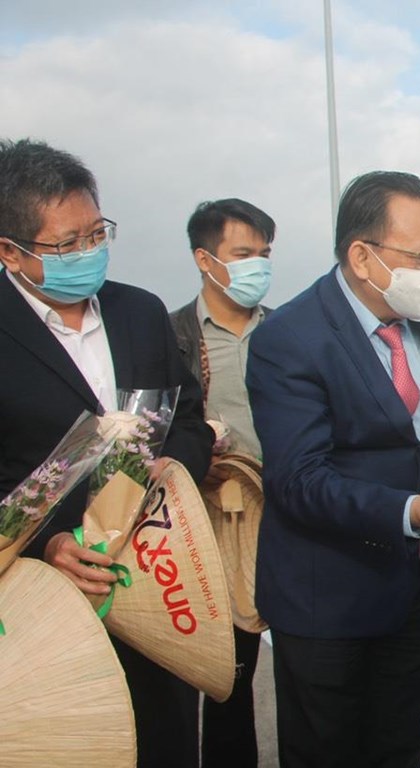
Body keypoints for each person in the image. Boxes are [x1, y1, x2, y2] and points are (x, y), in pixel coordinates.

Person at [245, 171, 420, 768]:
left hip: (411, 588)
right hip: (328, 596)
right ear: (362, 257)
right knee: (327, 753)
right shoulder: (290, 339)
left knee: (399, 746)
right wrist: (408, 511)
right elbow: (298, 479)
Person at [0, 138, 214, 767]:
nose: (88, 252)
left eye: (97, 233)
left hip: (158, 586)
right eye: (66, 244)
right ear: (10, 252)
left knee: (165, 742)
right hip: (45, 608)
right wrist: (47, 544)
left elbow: (190, 421)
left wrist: (170, 471)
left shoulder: (139, 312)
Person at [170, 198, 276, 767]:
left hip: (282, 514)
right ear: (204, 259)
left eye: (264, 253)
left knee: (262, 665)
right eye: (243, 254)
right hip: (204, 524)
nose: (257, 265)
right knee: (212, 671)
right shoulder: (171, 337)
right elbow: (150, 427)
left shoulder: (285, 331)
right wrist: (191, 455)